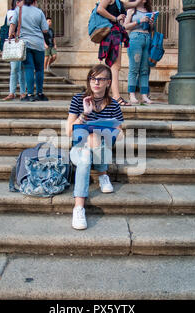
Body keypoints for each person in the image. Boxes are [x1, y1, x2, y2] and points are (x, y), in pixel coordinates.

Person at [66, 64, 124, 230]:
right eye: (93, 78)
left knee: (95, 137)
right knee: (86, 151)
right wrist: (84, 115)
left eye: (101, 79)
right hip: (78, 149)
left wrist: (107, 131)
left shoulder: (113, 105)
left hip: (102, 148)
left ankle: (102, 173)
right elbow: (69, 132)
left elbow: (120, 135)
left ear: (108, 82)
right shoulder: (79, 99)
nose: (96, 82)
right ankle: (79, 207)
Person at [97, 0, 143, 106]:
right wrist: (115, 18)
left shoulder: (119, 2)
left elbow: (135, 4)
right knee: (115, 66)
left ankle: (111, 96)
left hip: (116, 33)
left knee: (115, 66)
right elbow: (100, 9)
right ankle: (116, 97)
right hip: (112, 33)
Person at [9, 0, 50, 102]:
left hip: (25, 44)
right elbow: (45, 29)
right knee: (40, 69)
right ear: (34, 1)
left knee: (29, 68)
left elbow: (12, 24)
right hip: (39, 44)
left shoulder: (19, 10)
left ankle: (30, 94)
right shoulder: (39, 12)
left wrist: (10, 35)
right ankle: (40, 93)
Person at [124, 0, 155, 104]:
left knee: (145, 69)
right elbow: (125, 26)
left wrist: (151, 24)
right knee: (134, 68)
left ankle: (144, 96)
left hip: (147, 39)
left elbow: (151, 29)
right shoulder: (132, 10)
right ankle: (132, 95)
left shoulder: (148, 10)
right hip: (135, 38)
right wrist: (139, 21)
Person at [2, 0, 27, 101]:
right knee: (15, 68)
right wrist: (9, 35)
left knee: (20, 69)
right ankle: (13, 92)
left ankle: (21, 92)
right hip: (17, 42)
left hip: (24, 41)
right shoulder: (15, 12)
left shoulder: (28, 12)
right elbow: (10, 25)